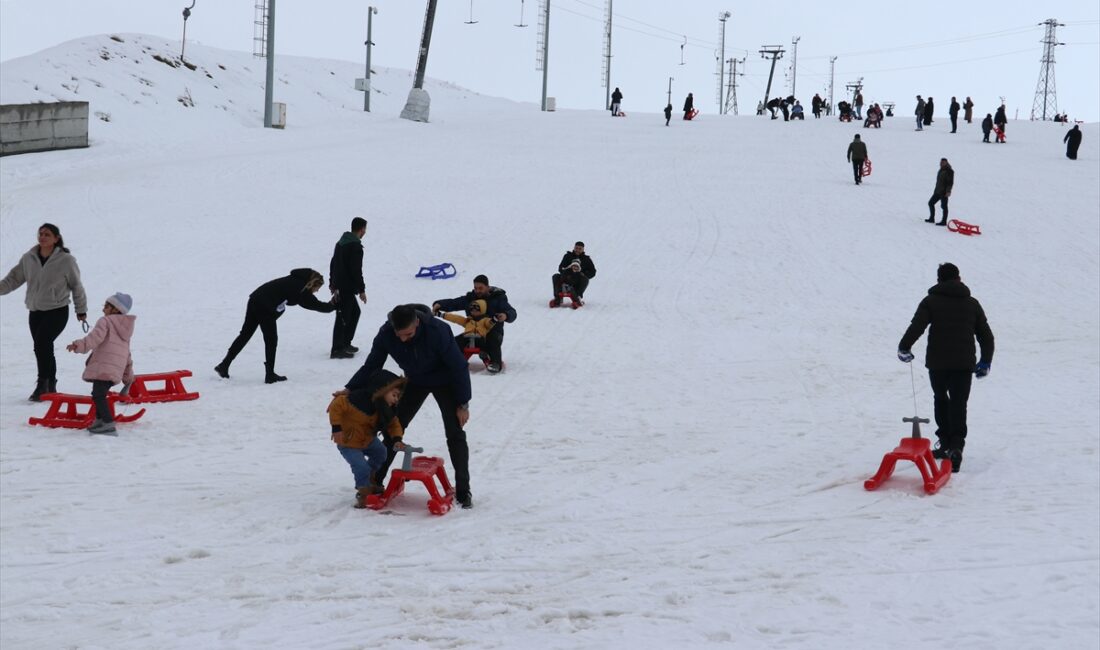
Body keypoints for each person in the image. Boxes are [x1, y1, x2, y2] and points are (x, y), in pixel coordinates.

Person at [343, 304, 474, 508]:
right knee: (393, 427)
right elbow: (372, 365)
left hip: (446, 381)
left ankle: (464, 491)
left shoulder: (437, 331)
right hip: (415, 381)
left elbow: (459, 367)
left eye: (408, 334)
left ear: (417, 323)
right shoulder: (387, 333)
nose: (403, 339)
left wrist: (463, 403)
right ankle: (375, 481)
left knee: (454, 431)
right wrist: (350, 388)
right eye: (400, 335)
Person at [897, 263, 994, 472]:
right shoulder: (972, 303)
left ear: (939, 280)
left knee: (941, 399)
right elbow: (986, 335)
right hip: (963, 364)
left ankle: (945, 442)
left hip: (938, 363)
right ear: (959, 278)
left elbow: (917, 326)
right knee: (959, 403)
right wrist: (986, 361)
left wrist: (904, 347)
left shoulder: (931, 301)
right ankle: (956, 446)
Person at [0, 223, 88, 401]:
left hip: (57, 310)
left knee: (42, 344)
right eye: (40, 234)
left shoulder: (66, 260)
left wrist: (81, 310)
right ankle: (51, 384)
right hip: (36, 311)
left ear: (56, 238)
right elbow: (13, 279)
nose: (42, 237)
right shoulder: (29, 258)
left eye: (47, 234)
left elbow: (76, 286)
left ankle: (42, 385)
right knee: (43, 347)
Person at [214, 268, 335, 383]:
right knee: (271, 340)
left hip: (255, 299)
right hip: (265, 306)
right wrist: (331, 305)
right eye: (317, 288)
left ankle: (224, 365)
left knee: (245, 335)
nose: (317, 291)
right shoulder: (300, 287)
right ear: (312, 283)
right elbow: (312, 304)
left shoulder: (295, 280)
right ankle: (270, 374)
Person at [329, 368, 407, 508]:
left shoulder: (384, 409)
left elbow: (394, 424)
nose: (396, 399)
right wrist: (336, 428)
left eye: (398, 396)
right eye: (394, 395)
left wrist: (397, 439)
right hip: (348, 443)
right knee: (360, 466)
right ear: (382, 390)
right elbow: (336, 405)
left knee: (381, 453)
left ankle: (369, 480)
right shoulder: (355, 400)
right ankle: (364, 492)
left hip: (368, 440)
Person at [65, 292, 135, 436]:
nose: (103, 309)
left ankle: (108, 423)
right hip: (114, 369)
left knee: (98, 395)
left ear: (115, 309)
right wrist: (128, 375)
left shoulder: (105, 322)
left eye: (106, 306)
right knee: (98, 393)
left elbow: (94, 338)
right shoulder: (125, 329)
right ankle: (99, 420)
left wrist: (77, 345)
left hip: (104, 366)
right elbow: (126, 353)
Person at [433, 275, 517, 374]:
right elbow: (455, 303)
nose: (478, 291)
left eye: (480, 288)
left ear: (488, 287)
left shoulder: (497, 299)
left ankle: (495, 363)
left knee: (493, 339)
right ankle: (448, 361)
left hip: (492, 333)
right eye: (476, 288)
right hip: (472, 333)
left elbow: (512, 312)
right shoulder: (470, 298)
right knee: (455, 342)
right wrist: (440, 304)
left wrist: (505, 315)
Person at [329, 217, 368, 359]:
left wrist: (332, 284)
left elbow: (333, 264)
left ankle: (345, 342)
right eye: (365, 229)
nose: (365, 232)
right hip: (346, 287)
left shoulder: (340, 243)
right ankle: (337, 348)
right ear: (362, 229)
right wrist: (362, 290)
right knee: (343, 317)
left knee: (354, 313)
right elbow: (356, 270)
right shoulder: (355, 246)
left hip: (340, 285)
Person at [552, 241, 598, 306]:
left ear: (583, 249)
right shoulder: (568, 256)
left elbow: (593, 272)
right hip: (567, 277)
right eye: (576, 248)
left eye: (580, 249)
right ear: (574, 248)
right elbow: (561, 267)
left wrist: (583, 274)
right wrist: (566, 271)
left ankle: (577, 297)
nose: (578, 250)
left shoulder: (586, 259)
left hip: (578, 280)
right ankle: (557, 297)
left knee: (585, 279)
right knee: (556, 276)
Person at [925, 158, 954, 226]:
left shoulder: (949, 171)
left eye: (943, 162)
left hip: (944, 192)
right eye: (941, 162)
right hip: (937, 191)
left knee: (944, 206)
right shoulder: (941, 170)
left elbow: (950, 183)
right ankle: (932, 218)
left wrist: (948, 191)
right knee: (931, 203)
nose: (941, 163)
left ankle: (944, 221)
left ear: (946, 163)